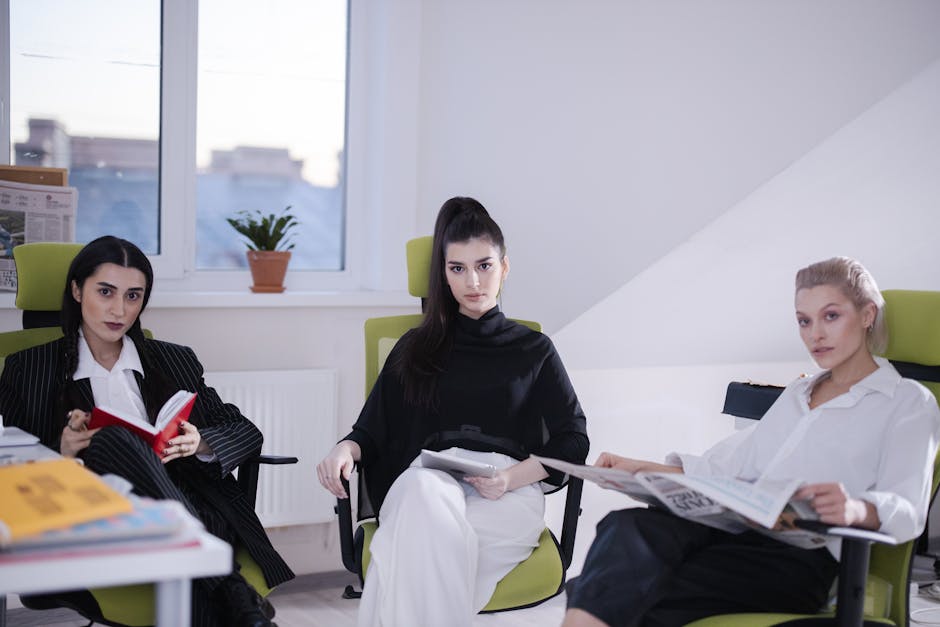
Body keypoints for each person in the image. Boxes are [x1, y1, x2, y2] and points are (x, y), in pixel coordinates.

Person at [562, 256, 940, 627]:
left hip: (796, 558)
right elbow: (724, 469)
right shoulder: (797, 393)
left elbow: (908, 509)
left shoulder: (907, 402)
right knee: (627, 527)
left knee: (611, 587)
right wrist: (639, 470)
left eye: (831, 316)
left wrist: (856, 509)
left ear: (867, 315)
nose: (815, 334)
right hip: (732, 531)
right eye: (804, 321)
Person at [317, 196, 590, 626]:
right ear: (442, 275)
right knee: (425, 499)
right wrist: (342, 451)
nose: (473, 281)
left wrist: (508, 479)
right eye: (457, 268)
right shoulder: (413, 348)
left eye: (484, 265)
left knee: (409, 550)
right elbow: (369, 432)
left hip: (506, 494)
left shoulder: (534, 350)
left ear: (504, 267)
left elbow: (573, 440)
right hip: (425, 485)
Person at [0, 236, 294, 627]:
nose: (119, 309)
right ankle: (230, 588)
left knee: (188, 571)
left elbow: (245, 430)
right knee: (111, 439)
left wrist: (200, 441)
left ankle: (222, 582)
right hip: (97, 520)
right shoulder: (29, 368)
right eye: (105, 292)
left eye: (133, 296)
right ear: (76, 290)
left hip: (191, 502)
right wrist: (64, 452)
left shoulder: (174, 360)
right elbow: (13, 470)